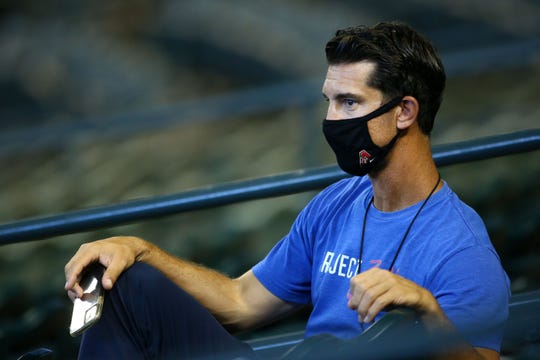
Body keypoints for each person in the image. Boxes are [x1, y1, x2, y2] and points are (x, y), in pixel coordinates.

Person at [64, 22, 510, 359]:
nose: (333, 120)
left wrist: (427, 312)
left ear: (405, 112)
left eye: (349, 102)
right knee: (128, 283)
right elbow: (241, 302)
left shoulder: (462, 249)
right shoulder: (335, 204)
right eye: (329, 102)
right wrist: (140, 250)